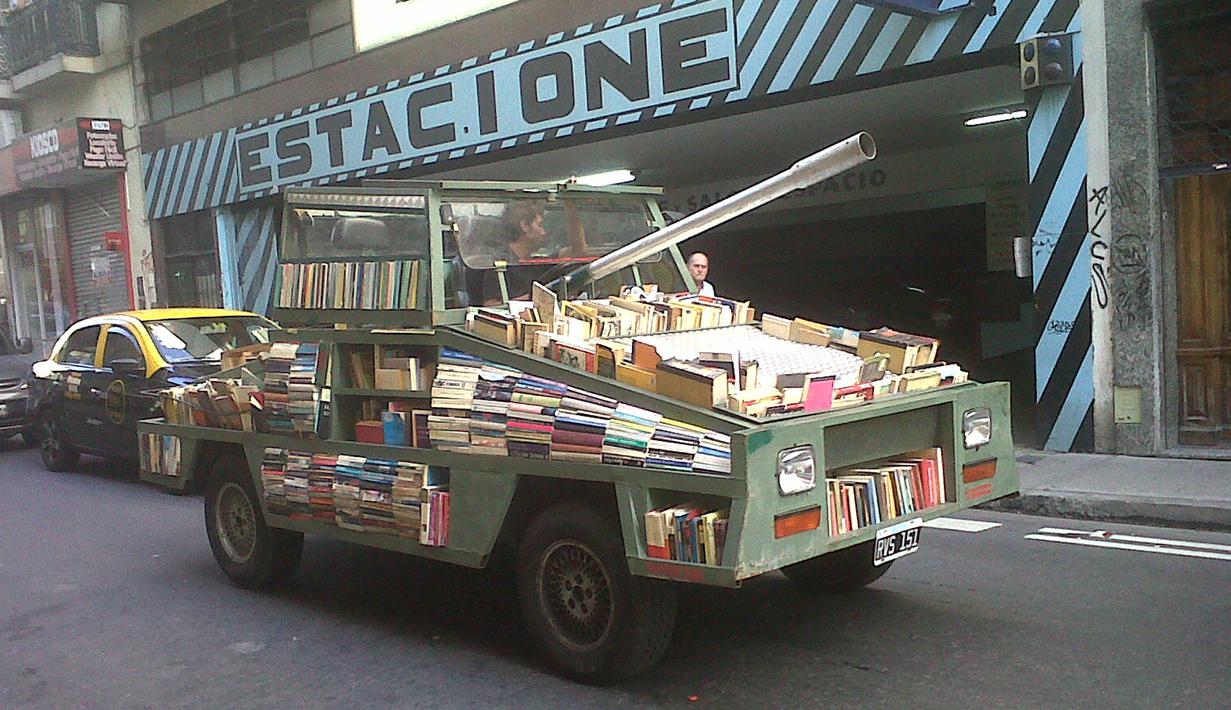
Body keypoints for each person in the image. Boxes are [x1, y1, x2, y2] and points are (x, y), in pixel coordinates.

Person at [482, 200, 588, 306]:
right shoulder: (499, 264)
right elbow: (491, 306)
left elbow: (578, 251)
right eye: (540, 225)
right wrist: (534, 298)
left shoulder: (537, 263)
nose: (544, 232)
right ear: (524, 226)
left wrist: (572, 210)